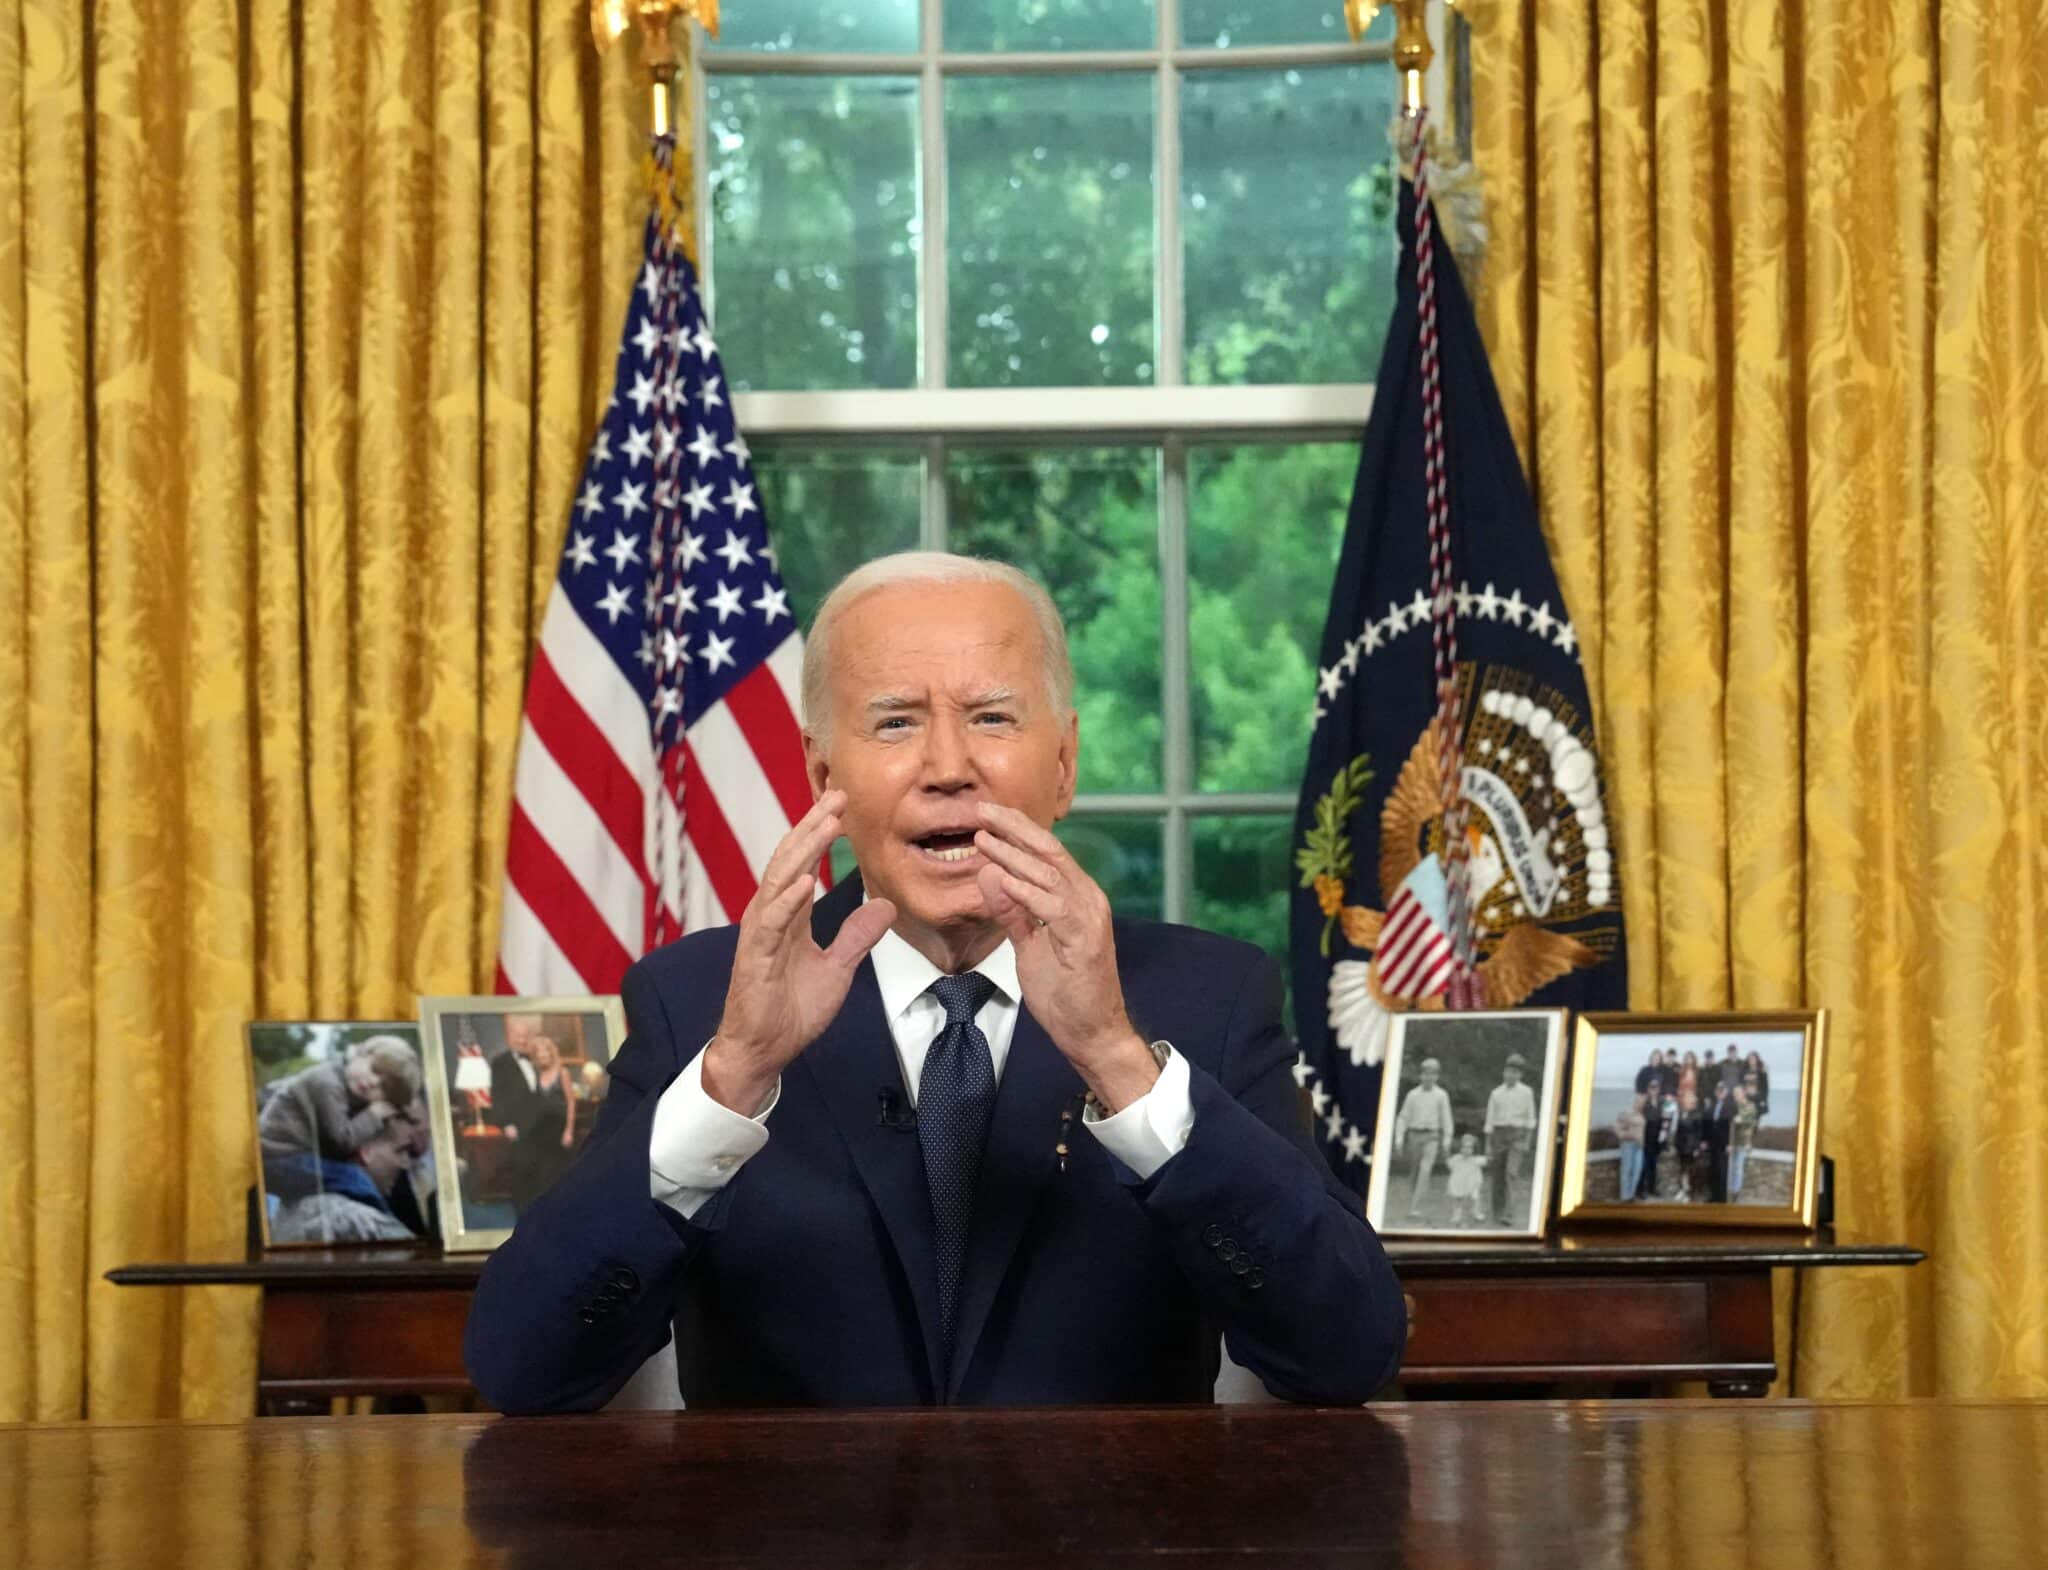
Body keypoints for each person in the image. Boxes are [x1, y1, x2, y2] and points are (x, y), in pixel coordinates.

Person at [463, 553, 1407, 1410]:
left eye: (992, 717)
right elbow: (524, 1372)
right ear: (821, 770)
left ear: (1066, 761)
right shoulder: (698, 1003)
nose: (950, 768)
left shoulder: (1209, 998)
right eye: (896, 723)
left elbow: (1345, 1356)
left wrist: (1120, 1061)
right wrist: (733, 1077)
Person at [505, 1035, 579, 1212]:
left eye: (546, 1054)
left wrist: (569, 1131)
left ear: (552, 1054)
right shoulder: (536, 1074)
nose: (543, 1057)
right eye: (539, 1055)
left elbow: (571, 1102)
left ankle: (560, 1208)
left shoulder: (563, 1073)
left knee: (556, 1170)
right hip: (540, 1128)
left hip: (558, 1126)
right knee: (538, 1169)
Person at [1393, 1057, 1456, 1219]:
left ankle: (1415, 1207)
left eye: (1433, 1074)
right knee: (1414, 1172)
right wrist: (1399, 1137)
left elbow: (1446, 1119)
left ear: (1437, 1076)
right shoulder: (1413, 1095)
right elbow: (1403, 1117)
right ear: (1421, 1075)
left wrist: (1447, 1140)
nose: (1429, 1077)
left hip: (1432, 1137)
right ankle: (1414, 1200)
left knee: (1425, 1170)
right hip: (1414, 1135)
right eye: (1426, 1074)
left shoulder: (1441, 1095)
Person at [1482, 1052, 1538, 1227]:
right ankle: (1496, 1212)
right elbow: (1490, 1121)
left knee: (1511, 1174)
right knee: (1497, 1175)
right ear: (1503, 1072)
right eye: (1508, 1071)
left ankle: (1509, 1214)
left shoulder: (1526, 1092)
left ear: (1520, 1074)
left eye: (1515, 1072)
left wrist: (1527, 1140)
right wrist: (1488, 1144)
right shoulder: (1496, 1093)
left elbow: (1530, 1118)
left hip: (1518, 1136)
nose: (1511, 1075)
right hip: (1499, 1135)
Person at [1443, 1134, 1487, 1227]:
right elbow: (1449, 1164)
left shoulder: (1476, 1160)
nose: (1466, 1150)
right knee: (1457, 1199)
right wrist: (1446, 1154)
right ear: (1460, 1148)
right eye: (1464, 1147)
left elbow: (1487, 1160)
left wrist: (1489, 1155)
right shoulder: (1456, 1158)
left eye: (1469, 1148)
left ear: (1474, 1149)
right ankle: (1456, 1215)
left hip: (1473, 1183)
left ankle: (1476, 1213)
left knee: (1475, 1198)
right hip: (1459, 1183)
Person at [1704, 1078, 1736, 1202]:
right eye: (1718, 1090)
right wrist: (1705, 1140)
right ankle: (1713, 1196)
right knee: (1713, 1170)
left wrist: (1730, 1143)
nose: (1720, 1092)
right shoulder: (1712, 1105)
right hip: (1713, 1143)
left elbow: (1732, 1127)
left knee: (1723, 1172)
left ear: (1726, 1091)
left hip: (1724, 1144)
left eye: (1722, 1090)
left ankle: (1722, 1198)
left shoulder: (1731, 1106)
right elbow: (1707, 1124)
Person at [1613, 1092, 1647, 1204]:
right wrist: (1624, 1135)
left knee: (1637, 1171)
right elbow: (1616, 1126)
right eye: (1638, 1101)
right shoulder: (1627, 1113)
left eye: (1642, 1102)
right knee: (1627, 1171)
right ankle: (1625, 1197)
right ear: (1634, 1102)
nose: (1640, 1104)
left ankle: (1631, 1195)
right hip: (1628, 1145)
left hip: (1639, 1146)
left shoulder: (1642, 1114)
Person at [1727, 1084, 1759, 1201]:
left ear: (1743, 1093)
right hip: (1732, 1141)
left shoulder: (1750, 1106)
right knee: (1731, 1167)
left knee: (1738, 1167)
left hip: (1743, 1141)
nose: (1735, 1096)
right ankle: (1730, 1189)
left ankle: (1735, 1191)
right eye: (1734, 1094)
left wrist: (1741, 1118)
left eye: (1738, 1093)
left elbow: (1749, 1119)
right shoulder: (1733, 1106)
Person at [1744, 1051, 1771, 1117]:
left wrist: (1763, 1099)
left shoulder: (1762, 1071)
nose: (1751, 1060)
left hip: (1758, 1099)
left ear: (1757, 1059)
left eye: (1753, 1058)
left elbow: (1765, 1087)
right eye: (1750, 1059)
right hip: (1747, 1100)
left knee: (1756, 1120)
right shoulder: (1744, 1070)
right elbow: (1742, 1084)